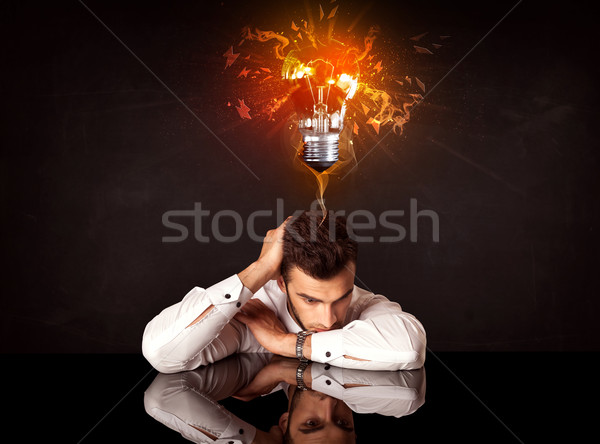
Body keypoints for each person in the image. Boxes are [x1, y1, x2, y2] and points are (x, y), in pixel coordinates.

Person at [142, 210, 426, 374]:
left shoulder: (363, 306)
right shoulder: (254, 313)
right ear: (280, 282)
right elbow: (161, 353)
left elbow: (410, 350)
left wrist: (284, 343)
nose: (328, 320)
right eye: (310, 299)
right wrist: (261, 268)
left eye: (341, 297)